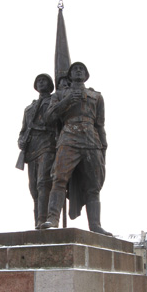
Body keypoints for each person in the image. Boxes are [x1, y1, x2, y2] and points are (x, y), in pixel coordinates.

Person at [41, 62, 112, 236]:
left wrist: (103, 146)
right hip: (68, 138)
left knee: (94, 185)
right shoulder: (59, 95)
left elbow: (100, 124)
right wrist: (66, 100)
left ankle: (95, 225)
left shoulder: (96, 96)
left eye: (81, 69)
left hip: (91, 141)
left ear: (86, 75)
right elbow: (48, 117)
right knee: (59, 179)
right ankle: (52, 219)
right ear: (70, 75)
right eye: (75, 69)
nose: (78, 70)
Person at [17, 74, 56, 229]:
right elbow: (23, 130)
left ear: (50, 84)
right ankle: (37, 222)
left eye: (44, 80)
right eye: (38, 81)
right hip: (31, 149)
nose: (41, 83)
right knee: (33, 187)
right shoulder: (29, 109)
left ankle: (43, 219)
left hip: (47, 145)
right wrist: (21, 141)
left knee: (43, 183)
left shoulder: (54, 101)